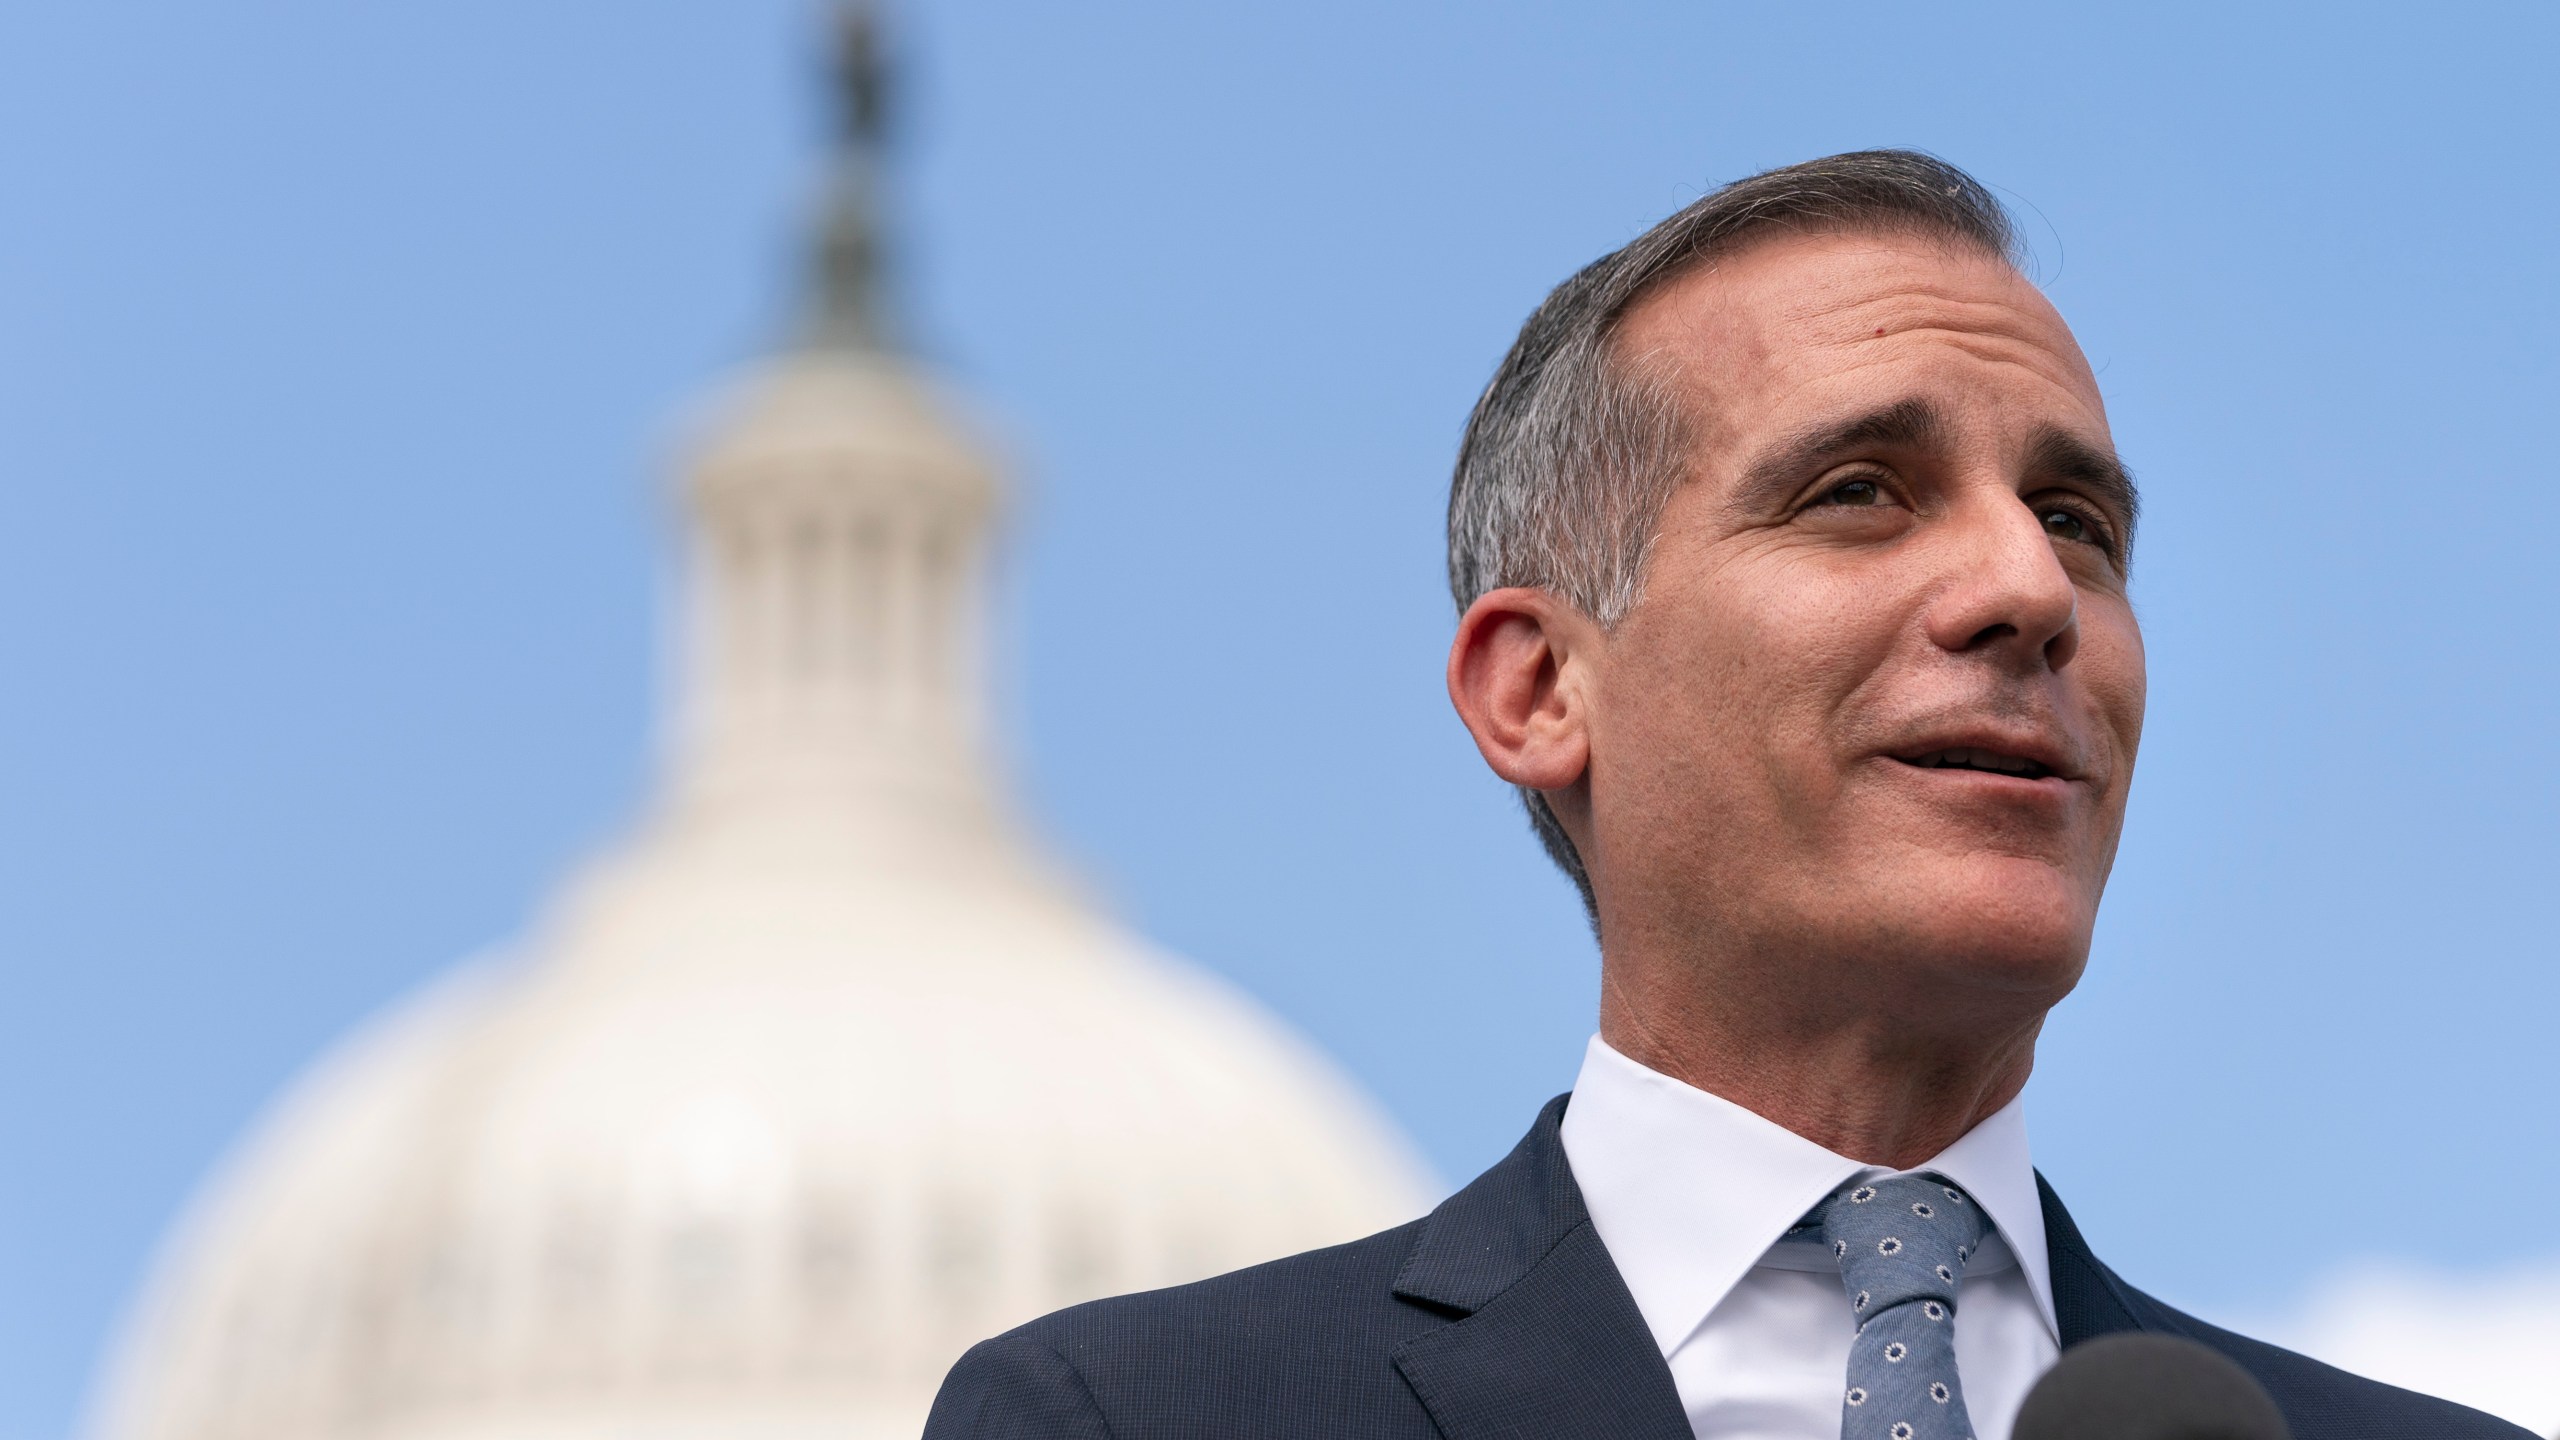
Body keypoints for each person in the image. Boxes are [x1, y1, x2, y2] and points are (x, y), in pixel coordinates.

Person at [921, 151, 2526, 1440]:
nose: (2029, 588)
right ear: (1542, 688)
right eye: (1858, 495)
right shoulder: (1133, 1416)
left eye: (2079, 521)